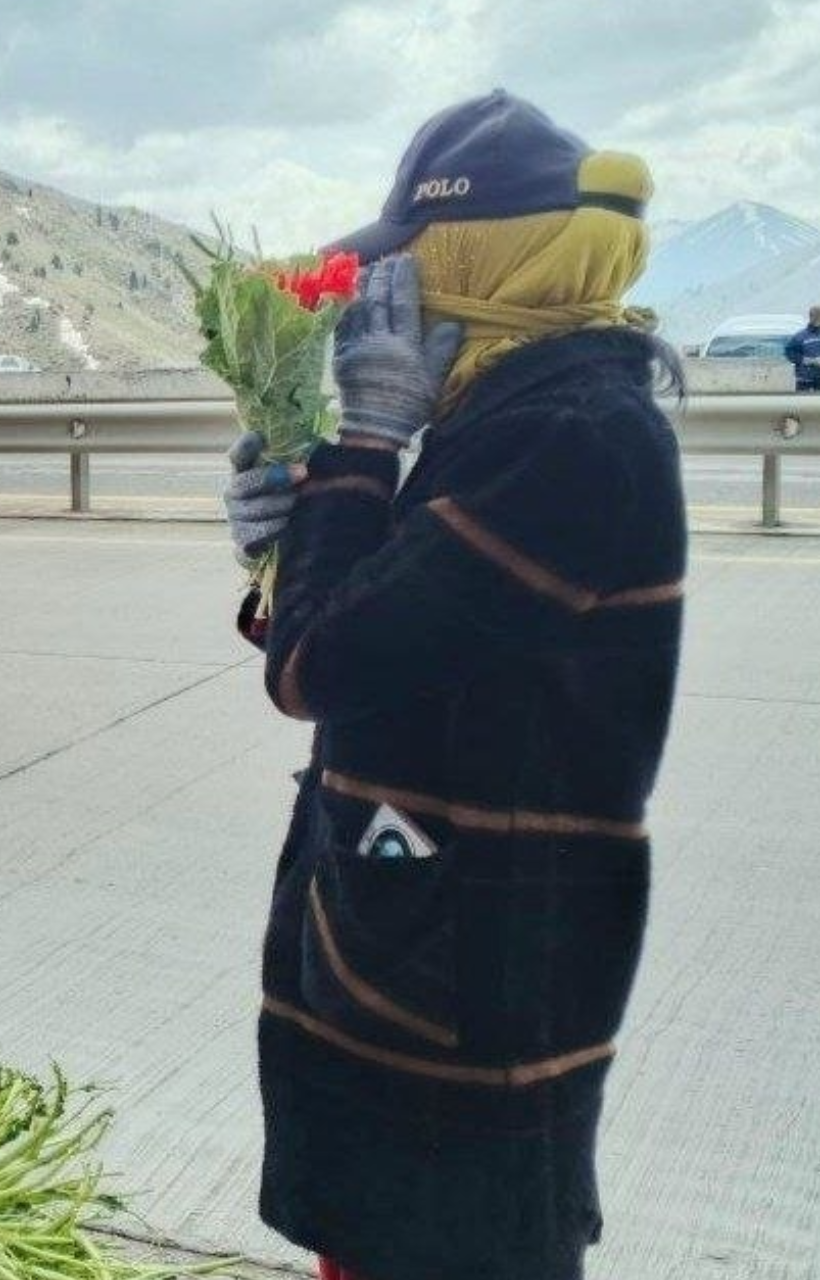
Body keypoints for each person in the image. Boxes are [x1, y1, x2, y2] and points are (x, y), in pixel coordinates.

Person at [222, 92, 686, 1280]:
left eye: (413, 265)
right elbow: (401, 635)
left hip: (471, 967)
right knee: (383, 1240)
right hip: (426, 926)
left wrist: (366, 443)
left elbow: (328, 667)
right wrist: (290, 536)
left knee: (448, 1248)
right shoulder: (517, 409)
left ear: (484, 254)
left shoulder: (574, 431)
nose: (397, 298)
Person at [786, 306, 820, 391]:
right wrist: (805, 360)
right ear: (810, 317)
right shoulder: (800, 336)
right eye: (814, 315)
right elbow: (789, 352)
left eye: (818, 315)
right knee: (802, 403)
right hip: (804, 380)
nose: (816, 318)